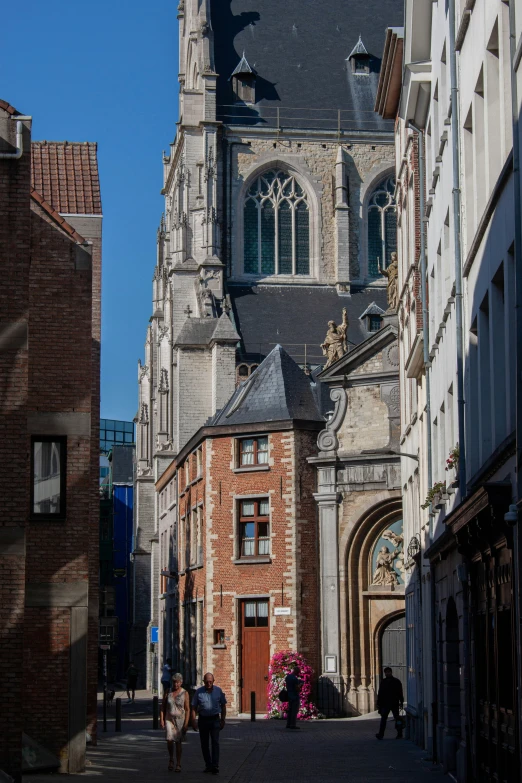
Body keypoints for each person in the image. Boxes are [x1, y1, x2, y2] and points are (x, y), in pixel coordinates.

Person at [191, 672, 227, 775]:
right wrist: (193, 720)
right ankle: (208, 765)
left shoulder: (218, 691)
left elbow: (223, 705)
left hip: (215, 719)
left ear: (213, 681)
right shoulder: (199, 692)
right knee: (204, 744)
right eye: (207, 682)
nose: (209, 684)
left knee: (215, 742)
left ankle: (215, 765)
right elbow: (193, 707)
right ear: (204, 682)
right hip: (203, 720)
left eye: (210, 682)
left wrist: (223, 719)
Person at [160, 672, 190, 772]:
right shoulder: (168, 691)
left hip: (180, 720)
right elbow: (163, 706)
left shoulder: (185, 693)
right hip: (169, 719)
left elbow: (187, 709)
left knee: (178, 742)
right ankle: (171, 759)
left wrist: (186, 724)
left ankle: (178, 763)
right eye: (174, 682)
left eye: (177, 682)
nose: (175, 684)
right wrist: (161, 719)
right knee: (169, 740)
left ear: (181, 683)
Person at [375, 667, 404, 740]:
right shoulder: (383, 682)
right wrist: (378, 703)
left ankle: (399, 733)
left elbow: (400, 692)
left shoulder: (396, 681)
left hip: (394, 703)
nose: (387, 673)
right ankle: (381, 734)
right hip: (385, 704)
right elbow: (380, 693)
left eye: (389, 672)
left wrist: (401, 702)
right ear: (385, 673)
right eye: (386, 672)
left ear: (391, 672)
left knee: (397, 719)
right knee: (383, 720)